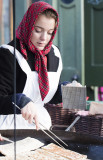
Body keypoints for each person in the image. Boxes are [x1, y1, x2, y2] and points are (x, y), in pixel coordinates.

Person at [0, 1, 62, 131]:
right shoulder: (8, 54)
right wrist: (19, 101)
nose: (44, 38)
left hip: (41, 127)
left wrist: (64, 90)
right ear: (28, 26)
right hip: (9, 129)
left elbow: (47, 95)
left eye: (50, 32)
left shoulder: (54, 54)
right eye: (38, 30)